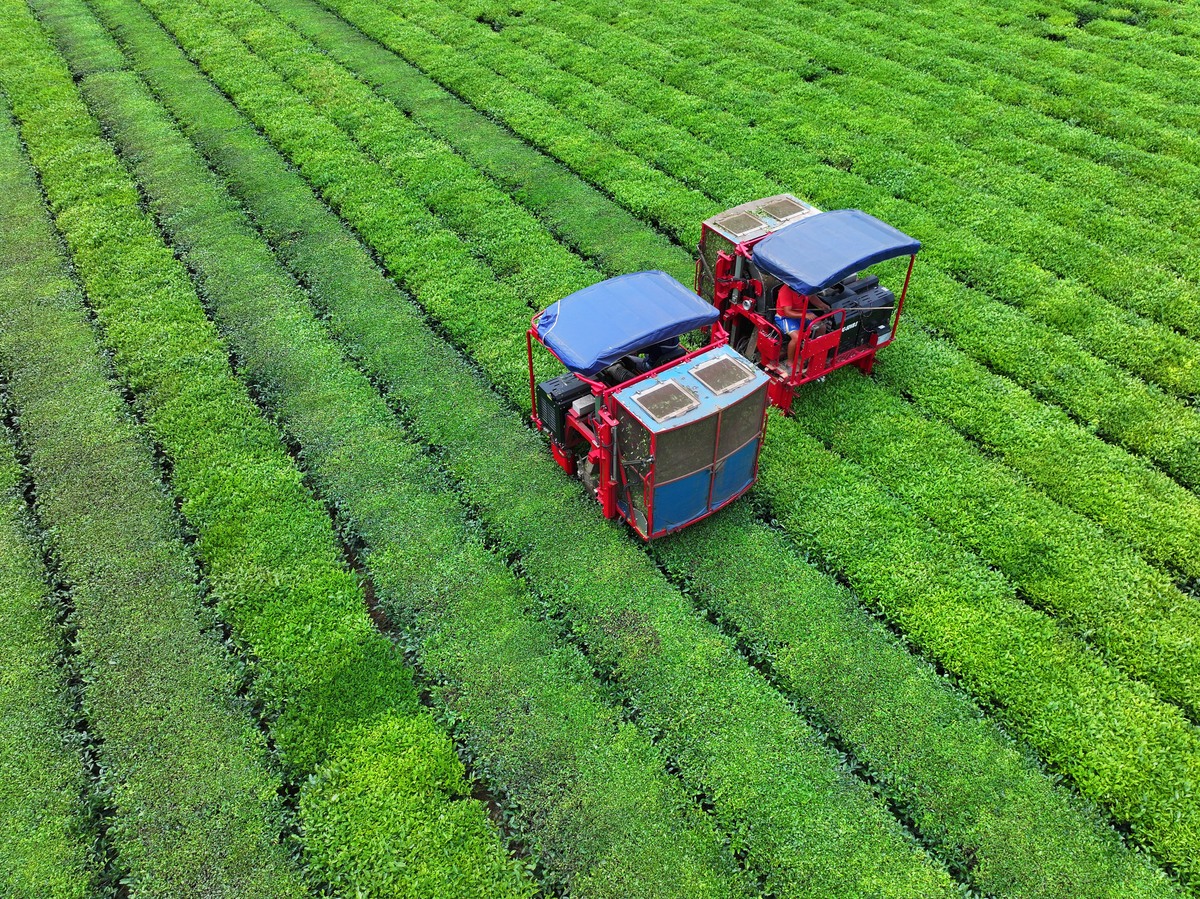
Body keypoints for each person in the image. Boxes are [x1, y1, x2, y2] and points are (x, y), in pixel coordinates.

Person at [774, 286, 830, 372]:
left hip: (802, 311)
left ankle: (813, 354)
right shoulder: (785, 291)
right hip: (785, 317)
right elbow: (787, 312)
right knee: (797, 337)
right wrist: (806, 315)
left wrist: (822, 305)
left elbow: (811, 297)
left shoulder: (804, 285)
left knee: (821, 327)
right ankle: (789, 363)